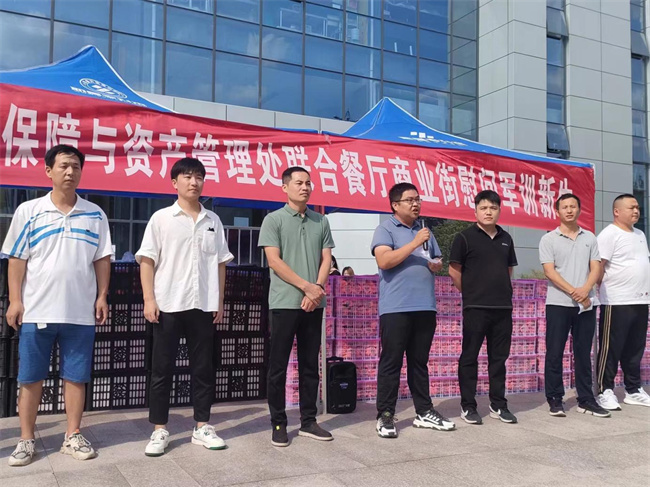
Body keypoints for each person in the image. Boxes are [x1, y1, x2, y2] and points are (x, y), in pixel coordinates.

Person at [2, 144, 112, 466]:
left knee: (76, 376)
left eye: (76, 166)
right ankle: (26, 440)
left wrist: (102, 295)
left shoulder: (95, 214)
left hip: (80, 313)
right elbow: (17, 259)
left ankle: (72, 435)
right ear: (48, 171)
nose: (70, 172)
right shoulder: (29, 211)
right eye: (64, 166)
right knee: (30, 378)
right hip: (37, 310)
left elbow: (102, 258)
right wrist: (15, 300)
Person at [136, 158, 233, 456]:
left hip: (202, 305)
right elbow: (147, 260)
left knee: (203, 368)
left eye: (199, 177)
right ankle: (159, 429)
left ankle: (202, 426)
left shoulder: (212, 220)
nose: (194, 182)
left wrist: (219, 300)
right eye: (187, 177)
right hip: (168, 304)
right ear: (174, 182)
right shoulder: (161, 218)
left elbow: (220, 263)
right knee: (161, 369)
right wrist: (149, 299)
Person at [258, 166, 335, 447]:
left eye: (308, 183)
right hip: (284, 302)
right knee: (278, 366)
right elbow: (274, 261)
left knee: (309, 365)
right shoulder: (273, 220)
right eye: (299, 183)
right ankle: (278, 422)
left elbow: (326, 259)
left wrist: (316, 290)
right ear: (285, 187)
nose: (305, 187)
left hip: (313, 303)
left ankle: (308, 421)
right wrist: (307, 287)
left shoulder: (321, 221)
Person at [371, 183, 455, 438]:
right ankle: (385, 415)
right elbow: (384, 260)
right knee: (392, 362)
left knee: (419, 362)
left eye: (418, 199)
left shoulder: (424, 230)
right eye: (409, 200)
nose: (416, 204)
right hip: (396, 307)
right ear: (395, 205)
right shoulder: (386, 229)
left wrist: (435, 265)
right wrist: (414, 243)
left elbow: (435, 260)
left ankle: (424, 411)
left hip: (425, 305)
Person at [449, 190, 518, 425]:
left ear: (499, 210)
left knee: (498, 359)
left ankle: (498, 404)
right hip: (475, 308)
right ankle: (468, 406)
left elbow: (508, 270)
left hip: (503, 308)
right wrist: (471, 293)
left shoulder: (506, 238)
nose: (489, 212)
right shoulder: (464, 237)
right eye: (484, 208)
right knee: (470, 357)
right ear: (476, 211)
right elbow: (454, 271)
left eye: (493, 208)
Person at [538, 194, 610, 418]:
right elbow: (549, 272)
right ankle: (555, 398)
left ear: (579, 210)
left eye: (573, 206)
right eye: (564, 207)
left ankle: (586, 399)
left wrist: (585, 290)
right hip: (558, 304)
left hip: (586, 304)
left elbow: (596, 267)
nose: (569, 210)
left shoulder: (590, 238)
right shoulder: (549, 239)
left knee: (583, 352)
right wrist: (574, 292)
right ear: (557, 211)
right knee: (555, 352)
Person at [595, 194, 650, 410]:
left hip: (641, 299)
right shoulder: (609, 234)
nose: (636, 211)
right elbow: (599, 265)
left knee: (635, 348)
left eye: (637, 207)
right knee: (611, 348)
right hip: (616, 300)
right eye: (631, 207)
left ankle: (633, 390)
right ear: (616, 211)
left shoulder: (640, 234)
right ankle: (604, 390)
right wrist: (596, 288)